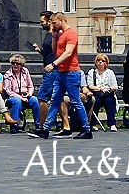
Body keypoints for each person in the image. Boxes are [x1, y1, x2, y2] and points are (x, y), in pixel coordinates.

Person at [34, 12, 91, 140]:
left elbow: (68, 52)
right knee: (55, 100)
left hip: (71, 72)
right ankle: (46, 128)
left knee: (76, 101)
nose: (52, 25)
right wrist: (54, 36)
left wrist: (53, 64)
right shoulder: (60, 35)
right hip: (62, 72)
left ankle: (86, 129)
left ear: (61, 20)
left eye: (54, 23)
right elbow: (55, 52)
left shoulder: (71, 33)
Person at [3, 55, 40, 133]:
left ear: (22, 65)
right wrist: (21, 98)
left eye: (18, 63)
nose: (15, 65)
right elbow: (8, 91)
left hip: (25, 96)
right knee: (17, 101)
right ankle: (14, 125)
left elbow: (30, 85)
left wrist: (29, 94)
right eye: (13, 63)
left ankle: (39, 125)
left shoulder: (25, 71)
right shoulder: (8, 74)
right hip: (11, 97)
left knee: (34, 100)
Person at [84, 53, 119, 132]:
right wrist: (100, 88)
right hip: (97, 93)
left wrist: (108, 88)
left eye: (103, 61)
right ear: (96, 62)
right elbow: (90, 85)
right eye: (98, 60)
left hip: (107, 94)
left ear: (106, 63)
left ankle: (112, 124)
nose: (100, 62)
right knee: (95, 101)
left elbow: (115, 86)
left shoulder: (110, 72)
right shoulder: (92, 72)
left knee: (109, 101)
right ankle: (93, 124)